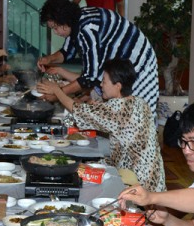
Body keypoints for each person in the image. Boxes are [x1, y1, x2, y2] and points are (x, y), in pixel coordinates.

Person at [38, 58, 165, 192]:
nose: (101, 85)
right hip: (154, 178)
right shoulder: (139, 102)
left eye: (104, 81)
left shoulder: (117, 108)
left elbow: (77, 111)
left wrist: (57, 91)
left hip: (139, 184)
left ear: (118, 86)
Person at [37, 0, 159, 117]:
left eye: (55, 28)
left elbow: (89, 78)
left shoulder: (87, 29)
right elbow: (66, 52)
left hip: (140, 64)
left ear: (64, 22)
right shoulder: (75, 22)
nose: (55, 32)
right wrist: (48, 59)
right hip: (121, 66)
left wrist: (57, 93)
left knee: (138, 114)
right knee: (118, 114)